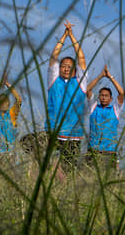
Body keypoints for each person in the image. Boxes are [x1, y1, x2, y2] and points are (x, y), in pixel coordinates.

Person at [45, 21, 88, 173]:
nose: (66, 68)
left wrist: (72, 37)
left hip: (73, 136)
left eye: (69, 67)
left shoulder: (80, 83)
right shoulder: (53, 81)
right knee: (28, 143)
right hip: (53, 132)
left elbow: (81, 59)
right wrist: (64, 36)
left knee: (68, 170)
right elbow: (53, 56)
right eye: (63, 66)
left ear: (75, 71)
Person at [85, 64, 125, 170]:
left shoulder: (115, 109)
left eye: (106, 96)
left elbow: (121, 93)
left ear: (111, 99)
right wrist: (100, 76)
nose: (103, 97)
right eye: (101, 95)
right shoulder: (93, 107)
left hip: (109, 152)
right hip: (93, 150)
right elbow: (87, 90)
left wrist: (110, 77)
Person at [0, 75, 22, 154]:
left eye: (6, 101)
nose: (4, 104)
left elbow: (19, 100)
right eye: (1, 102)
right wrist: (0, 85)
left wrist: (8, 85)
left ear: (9, 103)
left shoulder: (11, 114)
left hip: (10, 154)